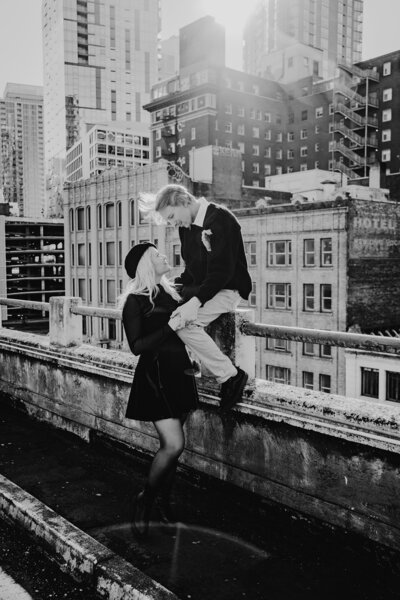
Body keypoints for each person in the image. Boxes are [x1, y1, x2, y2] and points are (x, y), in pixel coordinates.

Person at [144, 183, 252, 411]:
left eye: (172, 217)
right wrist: (168, 289)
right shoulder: (187, 227)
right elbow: (192, 272)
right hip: (202, 289)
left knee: (183, 325)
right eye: (169, 221)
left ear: (183, 200)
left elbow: (221, 273)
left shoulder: (221, 219)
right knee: (158, 308)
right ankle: (182, 368)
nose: (173, 224)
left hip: (226, 289)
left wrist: (194, 302)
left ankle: (230, 375)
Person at [119, 242, 198, 538]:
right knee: (174, 445)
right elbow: (137, 346)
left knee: (174, 451)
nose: (164, 256)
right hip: (155, 379)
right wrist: (171, 326)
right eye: (157, 255)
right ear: (145, 264)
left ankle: (165, 505)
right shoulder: (134, 301)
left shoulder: (171, 292)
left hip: (180, 374)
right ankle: (145, 500)